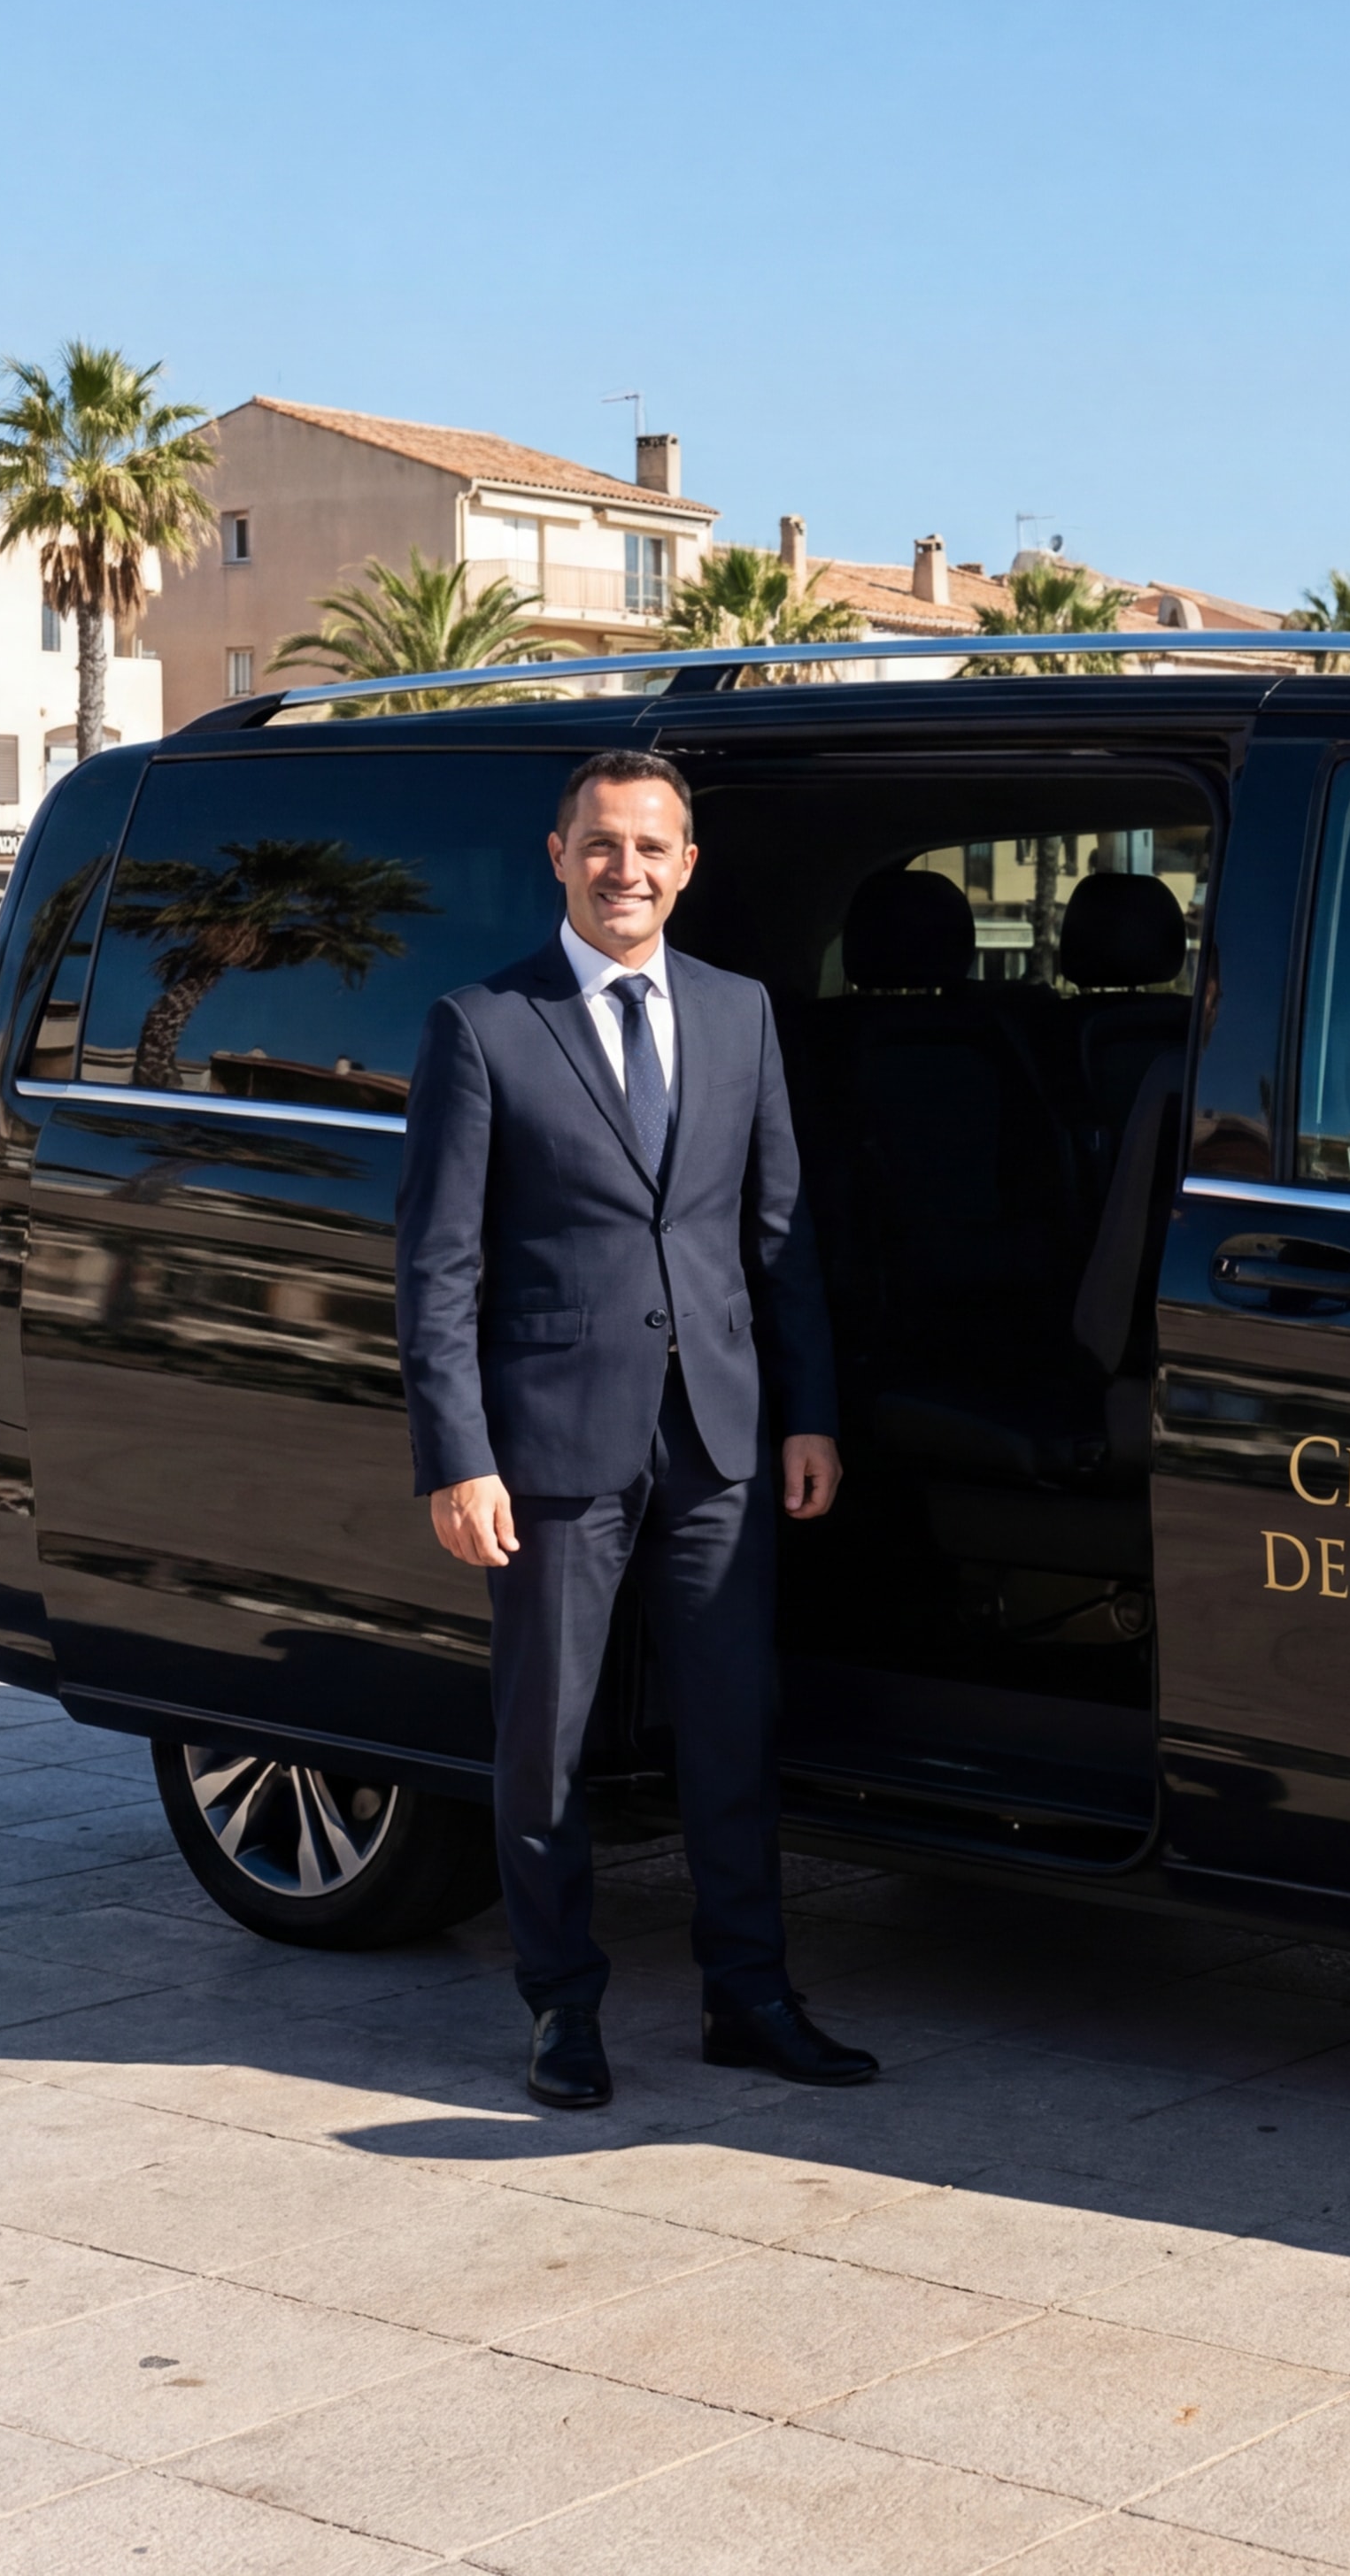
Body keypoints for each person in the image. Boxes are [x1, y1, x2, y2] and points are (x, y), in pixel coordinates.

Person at [395, 750, 873, 2104]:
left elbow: (778, 1235)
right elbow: (436, 1266)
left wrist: (808, 1414)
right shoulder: (482, 1023)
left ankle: (750, 1996)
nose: (627, 870)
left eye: (652, 848)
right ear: (558, 856)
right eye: (602, 845)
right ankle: (561, 2008)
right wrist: (459, 1453)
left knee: (734, 1729)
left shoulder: (739, 1014)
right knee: (546, 1741)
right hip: (548, 1443)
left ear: (687, 866)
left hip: (721, 1436)